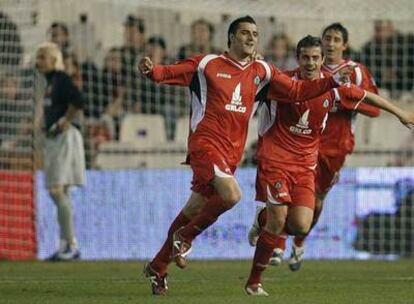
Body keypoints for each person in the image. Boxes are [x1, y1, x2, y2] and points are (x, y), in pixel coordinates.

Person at [138, 15, 352, 296]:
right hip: (205, 144)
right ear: (231, 38)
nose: (251, 37)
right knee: (231, 196)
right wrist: (151, 70)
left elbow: (298, 90)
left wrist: (331, 82)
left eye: (255, 33)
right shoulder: (207, 64)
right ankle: (185, 238)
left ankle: (158, 266)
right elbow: (167, 73)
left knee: (194, 209)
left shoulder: (262, 71)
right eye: (244, 33)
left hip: (231, 153)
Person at [245, 35, 414, 296]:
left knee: (301, 225)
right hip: (276, 161)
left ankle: (261, 218)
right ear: (297, 59)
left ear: (322, 60)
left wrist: (401, 113)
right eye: (305, 58)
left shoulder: (332, 88)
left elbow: (367, 96)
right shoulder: (282, 81)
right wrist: (253, 63)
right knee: (278, 220)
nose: (310, 63)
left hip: (304, 166)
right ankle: (254, 282)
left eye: (315, 58)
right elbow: (252, 79)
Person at [255, 22, 382, 271]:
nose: (331, 43)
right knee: (289, 195)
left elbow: (374, 109)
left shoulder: (355, 72)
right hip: (301, 146)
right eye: (328, 38)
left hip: (335, 148)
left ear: (344, 45)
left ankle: (299, 242)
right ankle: (278, 242)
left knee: (317, 199)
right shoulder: (309, 71)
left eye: (336, 39)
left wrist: (345, 101)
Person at [35, 42, 85, 261]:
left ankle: (70, 245)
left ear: (55, 59)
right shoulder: (49, 82)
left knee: (56, 190)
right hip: (54, 139)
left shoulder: (61, 79)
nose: (39, 61)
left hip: (63, 138)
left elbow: (78, 101)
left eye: (43, 57)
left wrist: (65, 121)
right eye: (38, 57)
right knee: (59, 191)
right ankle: (66, 244)